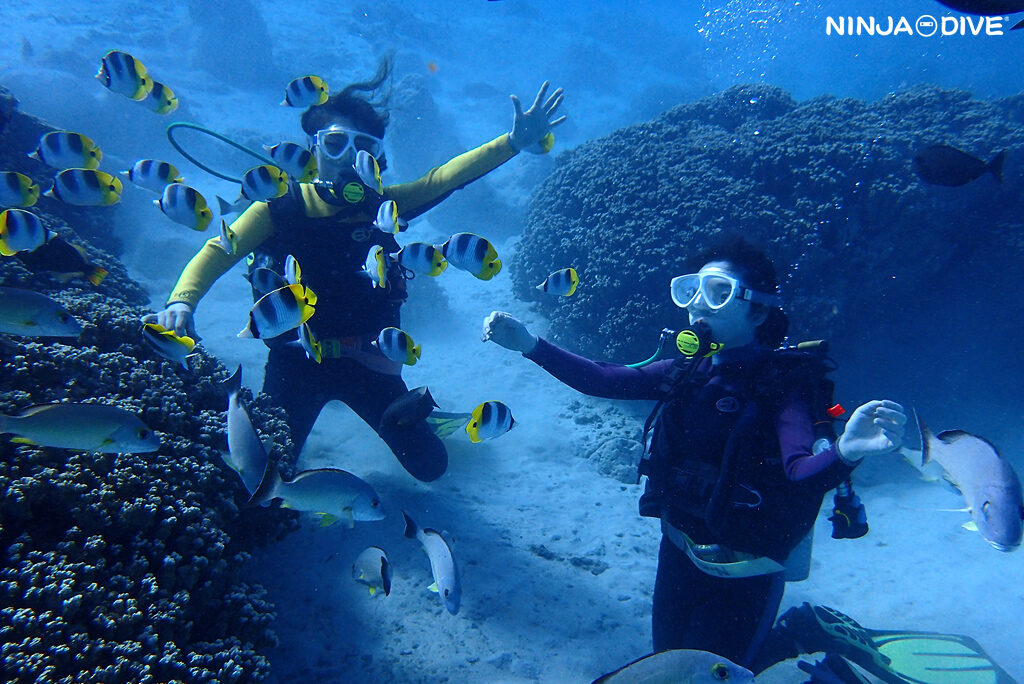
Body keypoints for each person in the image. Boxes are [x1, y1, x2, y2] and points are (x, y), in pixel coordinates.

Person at [481, 235, 907, 670]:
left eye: (719, 293)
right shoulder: (686, 371)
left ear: (757, 310)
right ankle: (794, 636)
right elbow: (605, 380)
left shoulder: (784, 384)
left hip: (747, 573)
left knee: (716, 675)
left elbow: (801, 472)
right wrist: (530, 344)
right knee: (670, 668)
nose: (698, 305)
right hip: (679, 551)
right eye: (691, 290)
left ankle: (803, 634)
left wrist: (848, 449)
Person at [143, 58, 565, 482]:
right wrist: (182, 302)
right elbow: (218, 250)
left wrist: (512, 143)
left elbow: (442, 179)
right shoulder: (279, 209)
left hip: (371, 362)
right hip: (296, 363)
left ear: (376, 159)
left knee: (430, 465)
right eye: (335, 144)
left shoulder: (382, 207)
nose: (348, 158)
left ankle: (412, 416)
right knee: (261, 474)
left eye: (364, 148)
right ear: (313, 148)